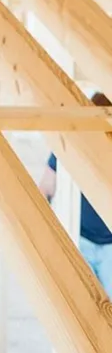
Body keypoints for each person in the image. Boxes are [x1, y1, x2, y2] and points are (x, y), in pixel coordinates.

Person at [40, 92, 112, 294]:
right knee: (84, 310)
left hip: (110, 245)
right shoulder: (69, 147)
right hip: (80, 240)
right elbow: (46, 187)